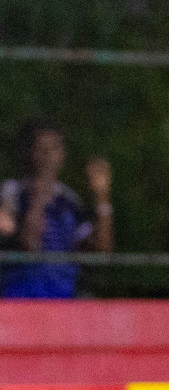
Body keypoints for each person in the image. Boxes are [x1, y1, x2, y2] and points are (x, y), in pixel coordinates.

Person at [0, 123, 113, 298]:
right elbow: (29, 246)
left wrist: (102, 196)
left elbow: (101, 252)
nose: (47, 157)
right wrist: (40, 193)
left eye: (53, 149)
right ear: (28, 153)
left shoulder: (70, 200)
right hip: (18, 301)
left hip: (62, 304)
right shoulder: (11, 192)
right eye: (40, 148)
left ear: (62, 154)